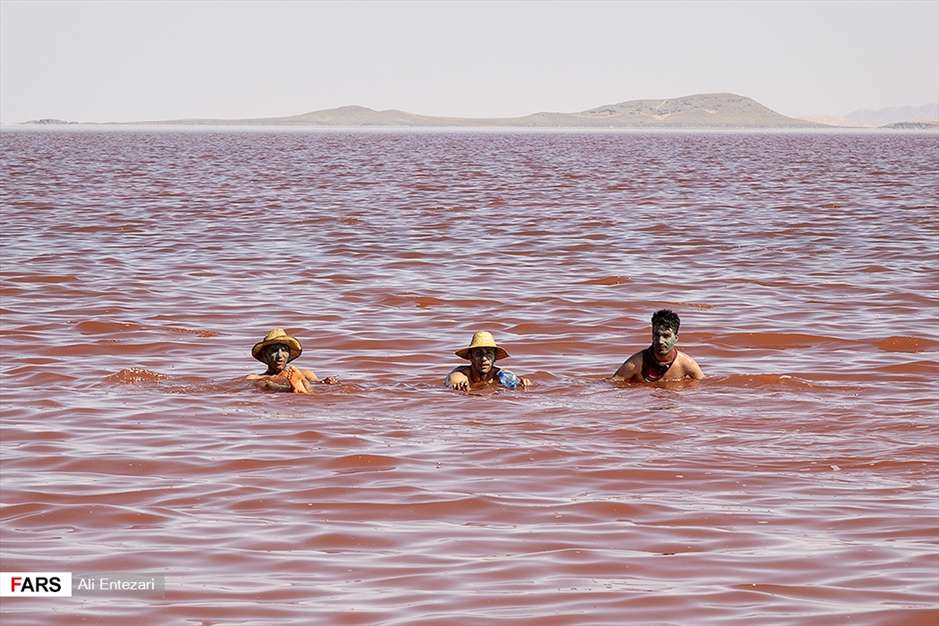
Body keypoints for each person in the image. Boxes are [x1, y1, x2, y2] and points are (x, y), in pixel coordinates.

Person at [609, 309, 704, 383]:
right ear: (652, 335)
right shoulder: (636, 363)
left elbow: (704, 387)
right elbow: (613, 384)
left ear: (676, 338)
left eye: (666, 336)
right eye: (657, 335)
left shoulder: (686, 364)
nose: (660, 341)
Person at [246, 328, 338, 393]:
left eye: (284, 350)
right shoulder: (255, 378)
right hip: (282, 388)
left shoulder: (306, 374)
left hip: (303, 387)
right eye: (274, 350)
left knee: (305, 380)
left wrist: (326, 382)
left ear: (289, 354)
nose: (280, 356)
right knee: (264, 384)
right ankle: (294, 388)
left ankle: (299, 386)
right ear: (265, 354)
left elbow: (318, 383)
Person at [446, 331, 532, 391]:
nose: (484, 359)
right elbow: (453, 381)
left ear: (494, 358)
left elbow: (516, 384)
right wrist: (457, 387)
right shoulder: (462, 375)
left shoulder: (501, 376)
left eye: (489, 354)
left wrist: (524, 384)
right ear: (470, 357)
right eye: (479, 354)